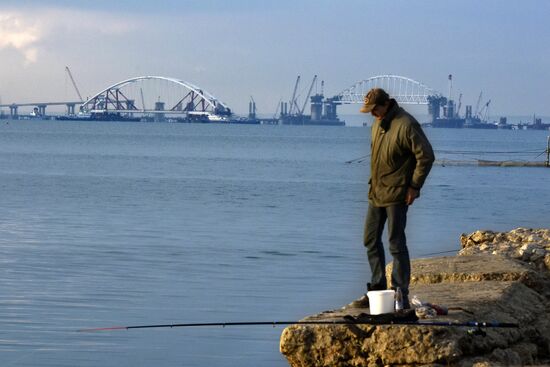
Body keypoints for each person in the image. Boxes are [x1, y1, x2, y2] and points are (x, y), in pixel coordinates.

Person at [351, 88, 434, 309]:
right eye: (369, 110)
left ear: (386, 104)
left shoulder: (406, 124)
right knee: (370, 239)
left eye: (374, 109)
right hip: (376, 192)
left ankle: (400, 293)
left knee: (396, 243)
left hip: (397, 194)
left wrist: (414, 186)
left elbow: (426, 156)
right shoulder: (378, 124)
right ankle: (377, 290)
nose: (372, 113)